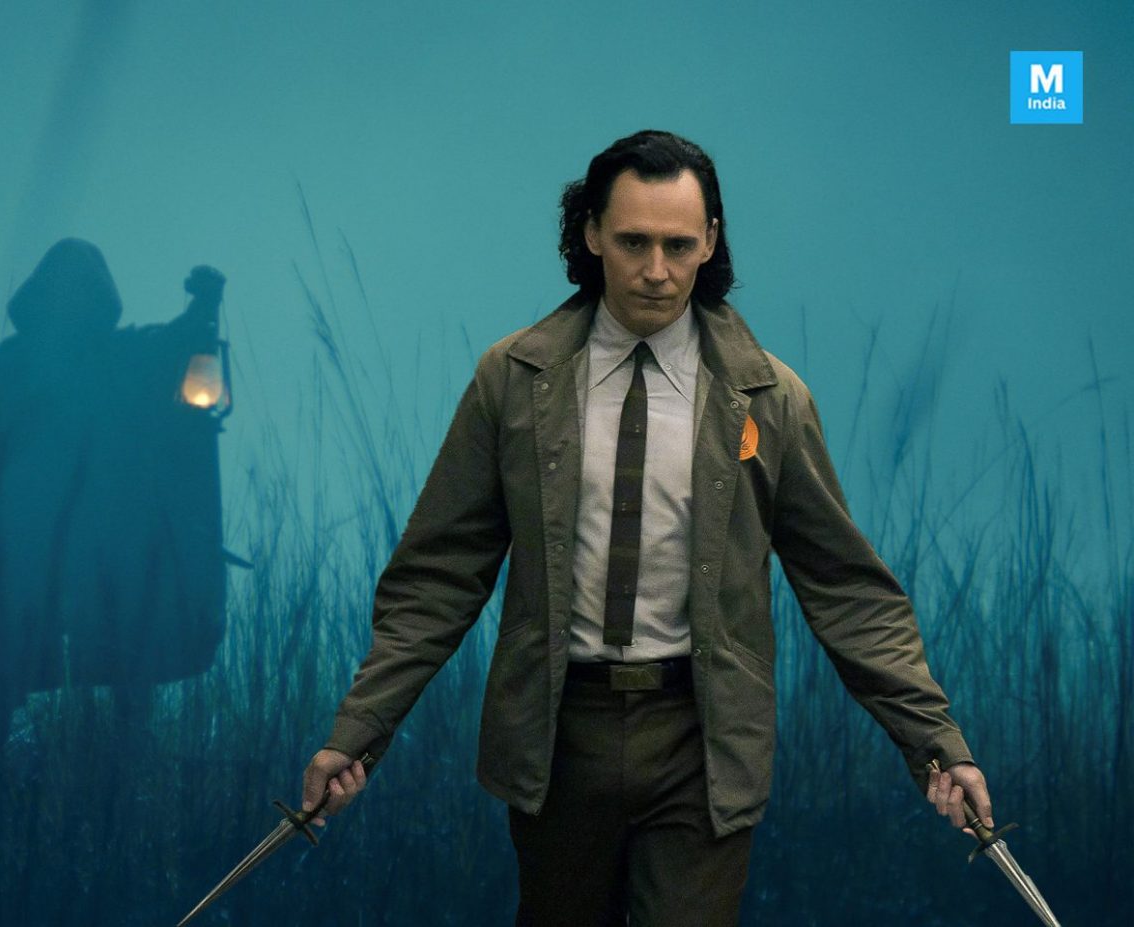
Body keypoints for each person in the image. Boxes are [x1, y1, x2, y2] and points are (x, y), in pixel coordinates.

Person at [299, 131, 992, 925]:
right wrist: (359, 728)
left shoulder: (768, 399)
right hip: (558, 736)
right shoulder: (514, 380)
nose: (656, 270)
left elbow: (848, 591)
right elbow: (438, 577)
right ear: (592, 233)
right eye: (633, 241)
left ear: (710, 242)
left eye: (678, 244)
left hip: (703, 738)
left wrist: (937, 744)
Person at [0, 239, 229, 769]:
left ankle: (127, 761)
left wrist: (201, 311)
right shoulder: (17, 361)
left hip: (95, 541)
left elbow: (169, 346)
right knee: (4, 646)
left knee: (124, 636)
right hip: (25, 541)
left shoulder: (114, 355)